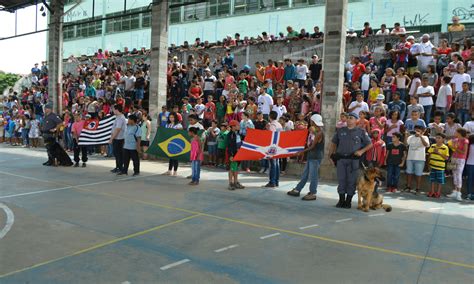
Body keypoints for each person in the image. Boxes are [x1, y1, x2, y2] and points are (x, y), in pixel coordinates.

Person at [329, 112, 372, 209]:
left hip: (353, 160)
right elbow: (333, 143)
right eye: (348, 117)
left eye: (351, 118)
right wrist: (330, 156)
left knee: (351, 181)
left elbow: (370, 144)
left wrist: (361, 151)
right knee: (341, 180)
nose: (349, 119)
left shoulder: (361, 131)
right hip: (341, 159)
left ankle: (348, 201)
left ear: (356, 120)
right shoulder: (340, 130)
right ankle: (341, 200)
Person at [287, 114, 324, 201]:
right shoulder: (317, 132)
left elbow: (312, 146)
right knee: (305, 174)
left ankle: (312, 193)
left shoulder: (319, 133)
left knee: (313, 176)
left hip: (315, 156)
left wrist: (301, 151)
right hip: (312, 156)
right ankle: (298, 189)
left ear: (313, 122)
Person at [404, 125, 430, 194]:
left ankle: (418, 188)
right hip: (410, 158)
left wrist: (420, 136)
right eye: (416, 130)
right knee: (409, 173)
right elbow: (406, 144)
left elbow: (426, 145)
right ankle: (408, 187)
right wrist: (406, 135)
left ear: (422, 131)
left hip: (420, 159)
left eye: (419, 130)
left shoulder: (425, 137)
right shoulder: (411, 137)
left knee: (418, 174)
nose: (417, 131)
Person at [447, 128, 469, 201]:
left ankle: (459, 193)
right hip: (454, 158)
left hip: (461, 159)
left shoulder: (465, 141)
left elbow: (464, 152)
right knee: (454, 174)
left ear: (459, 133)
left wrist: (454, 148)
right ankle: (455, 191)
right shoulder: (455, 140)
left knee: (459, 174)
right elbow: (449, 144)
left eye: (456, 132)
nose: (455, 133)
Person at [426, 133, 449, 198]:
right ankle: (432, 191)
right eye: (436, 137)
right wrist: (428, 164)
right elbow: (429, 155)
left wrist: (438, 153)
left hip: (440, 167)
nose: (437, 139)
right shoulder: (433, 145)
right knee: (432, 179)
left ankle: (438, 192)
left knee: (440, 180)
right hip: (432, 166)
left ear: (443, 139)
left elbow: (446, 158)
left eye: (439, 138)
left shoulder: (445, 147)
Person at [264, 111, 283, 188]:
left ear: (270, 116)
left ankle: (272, 182)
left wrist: (268, 129)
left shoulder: (272, 125)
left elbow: (271, 136)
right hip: (278, 146)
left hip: (273, 147)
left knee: (273, 164)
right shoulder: (279, 124)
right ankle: (276, 181)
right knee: (277, 164)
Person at [109, 104, 127, 173]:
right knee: (116, 153)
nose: (113, 111)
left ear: (116, 110)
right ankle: (117, 167)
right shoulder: (118, 117)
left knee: (119, 154)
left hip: (119, 138)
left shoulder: (121, 118)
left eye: (113, 109)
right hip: (117, 138)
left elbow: (118, 129)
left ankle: (120, 167)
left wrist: (111, 138)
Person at [227, 120, 245, 190]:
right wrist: (231, 155)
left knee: (236, 168)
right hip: (233, 154)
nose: (239, 126)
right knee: (232, 169)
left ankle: (236, 182)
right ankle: (230, 183)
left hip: (238, 153)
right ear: (233, 127)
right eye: (238, 125)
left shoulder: (238, 134)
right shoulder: (230, 135)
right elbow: (229, 146)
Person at [465, 134, 474, 200]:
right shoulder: (469, 146)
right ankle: (469, 194)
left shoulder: (469, 145)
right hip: (469, 163)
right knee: (470, 180)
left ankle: (469, 194)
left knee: (470, 180)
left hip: (469, 164)